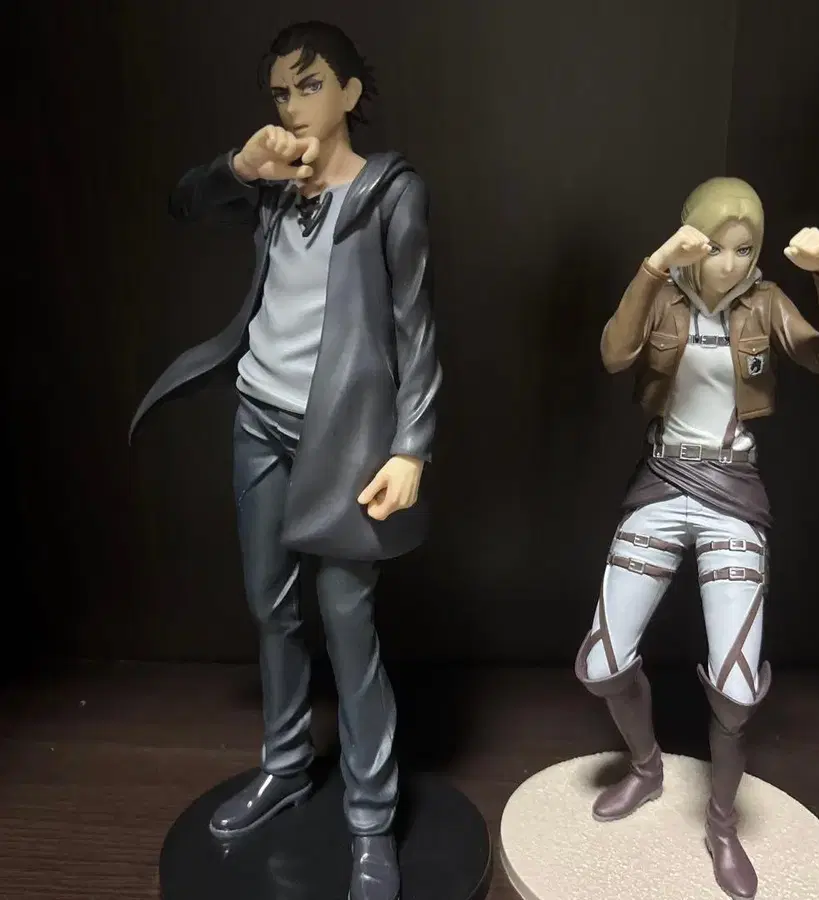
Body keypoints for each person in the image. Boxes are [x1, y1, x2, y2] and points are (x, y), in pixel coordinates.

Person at [129, 20, 441, 900]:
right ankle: (285, 765)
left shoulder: (389, 194)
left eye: (310, 85)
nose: (294, 105)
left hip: (344, 440)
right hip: (258, 420)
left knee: (348, 623)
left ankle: (371, 819)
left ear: (350, 92)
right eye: (280, 91)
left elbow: (417, 328)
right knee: (271, 607)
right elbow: (184, 203)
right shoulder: (272, 184)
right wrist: (240, 165)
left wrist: (411, 447)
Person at [573, 176, 819, 899]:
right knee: (602, 665)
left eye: (745, 249)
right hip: (663, 481)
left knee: (735, 692)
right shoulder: (665, 296)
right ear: (689, 237)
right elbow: (614, 353)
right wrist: (654, 266)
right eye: (716, 246)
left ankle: (723, 824)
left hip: (731, 491)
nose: (730, 264)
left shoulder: (764, 303)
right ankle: (646, 769)